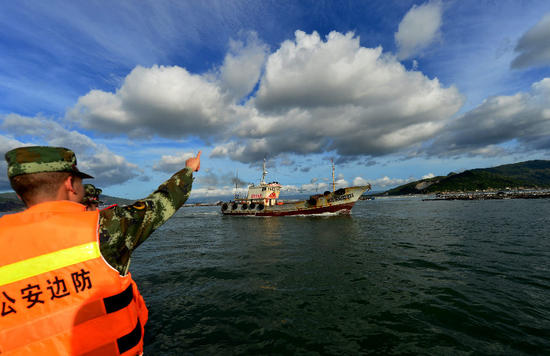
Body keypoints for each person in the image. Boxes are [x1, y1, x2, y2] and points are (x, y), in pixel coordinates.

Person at [0, 146, 200, 355]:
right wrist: (188, 171)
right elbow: (160, 204)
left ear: (19, 192)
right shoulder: (103, 228)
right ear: (70, 183)